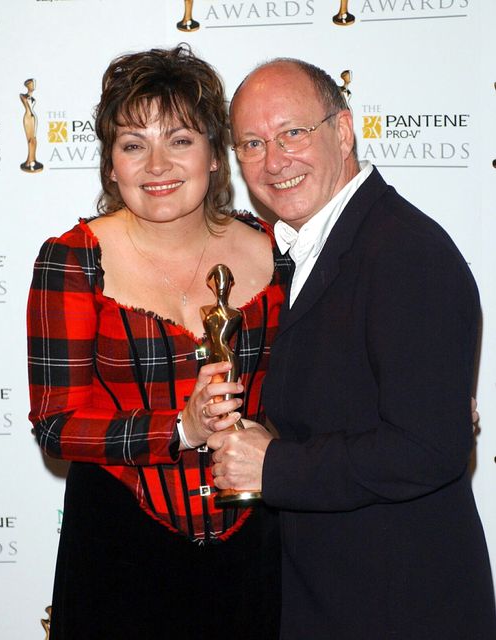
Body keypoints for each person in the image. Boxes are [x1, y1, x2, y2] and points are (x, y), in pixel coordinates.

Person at [208, 58, 496, 638]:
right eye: (253, 143)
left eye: (293, 133)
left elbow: (430, 447)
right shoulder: (301, 251)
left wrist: (276, 464)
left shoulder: (406, 254)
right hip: (334, 597)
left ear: (343, 131)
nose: (275, 160)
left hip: (400, 608)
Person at [27, 46, 290, 639]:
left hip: (254, 548)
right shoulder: (72, 260)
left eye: (180, 139)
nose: (157, 164)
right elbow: (54, 424)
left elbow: (319, 379)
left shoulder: (276, 251)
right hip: (119, 552)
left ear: (214, 157)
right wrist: (179, 430)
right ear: (111, 165)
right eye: (132, 143)